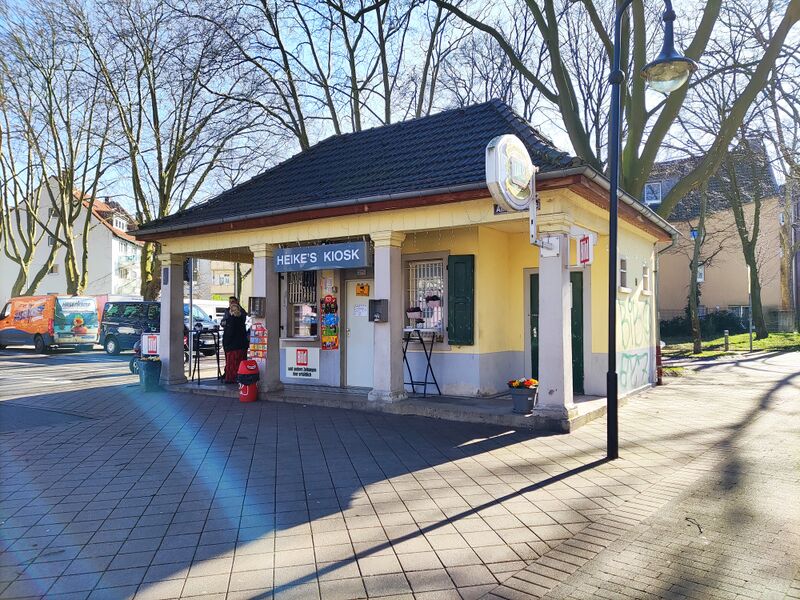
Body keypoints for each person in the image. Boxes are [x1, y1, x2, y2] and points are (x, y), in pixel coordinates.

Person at [221, 296, 248, 383]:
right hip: (240, 344)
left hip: (232, 345)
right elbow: (222, 322)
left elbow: (230, 332)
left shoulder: (234, 317)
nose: (231, 303)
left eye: (233, 301)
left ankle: (232, 377)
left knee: (233, 362)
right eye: (230, 302)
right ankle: (238, 376)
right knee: (239, 362)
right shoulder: (238, 317)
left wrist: (226, 343)